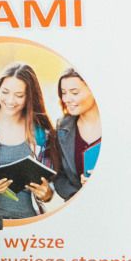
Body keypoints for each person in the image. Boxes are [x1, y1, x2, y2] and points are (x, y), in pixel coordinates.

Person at [0, 64, 61, 219]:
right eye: (5, 92)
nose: (10, 100)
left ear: (29, 97)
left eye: (19, 95)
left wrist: (46, 193)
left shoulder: (42, 133)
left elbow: (50, 187)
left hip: (30, 222)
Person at [54, 68, 101, 200]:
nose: (67, 99)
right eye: (64, 93)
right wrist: (77, 195)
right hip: (80, 207)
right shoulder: (61, 129)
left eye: (74, 92)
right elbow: (59, 176)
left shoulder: (117, 126)